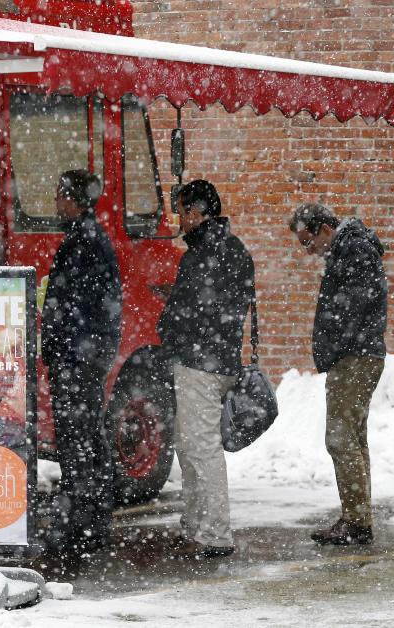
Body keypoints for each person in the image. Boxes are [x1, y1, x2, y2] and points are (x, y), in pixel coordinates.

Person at [157, 179, 254, 559]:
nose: (179, 219)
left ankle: (214, 531)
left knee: (201, 449)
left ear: (198, 212)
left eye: (182, 211)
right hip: (222, 357)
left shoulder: (202, 254)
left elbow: (192, 311)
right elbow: (223, 305)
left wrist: (169, 318)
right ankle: (197, 523)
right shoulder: (234, 249)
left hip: (200, 363)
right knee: (191, 444)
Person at [288, 203, 387, 546]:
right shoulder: (352, 249)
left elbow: (354, 306)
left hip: (354, 357)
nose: (308, 250)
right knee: (354, 439)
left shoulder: (353, 250)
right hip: (358, 354)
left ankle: (356, 522)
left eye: (307, 241)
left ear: (325, 230)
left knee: (341, 439)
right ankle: (357, 518)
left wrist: (335, 345)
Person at [41, 169, 122, 556]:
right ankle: (90, 520)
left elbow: (82, 308)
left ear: (72, 199)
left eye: (59, 195)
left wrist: (67, 352)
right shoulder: (87, 238)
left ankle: (81, 524)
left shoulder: (84, 243)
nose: (56, 203)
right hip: (82, 357)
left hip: (79, 358)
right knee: (86, 437)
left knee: (78, 441)